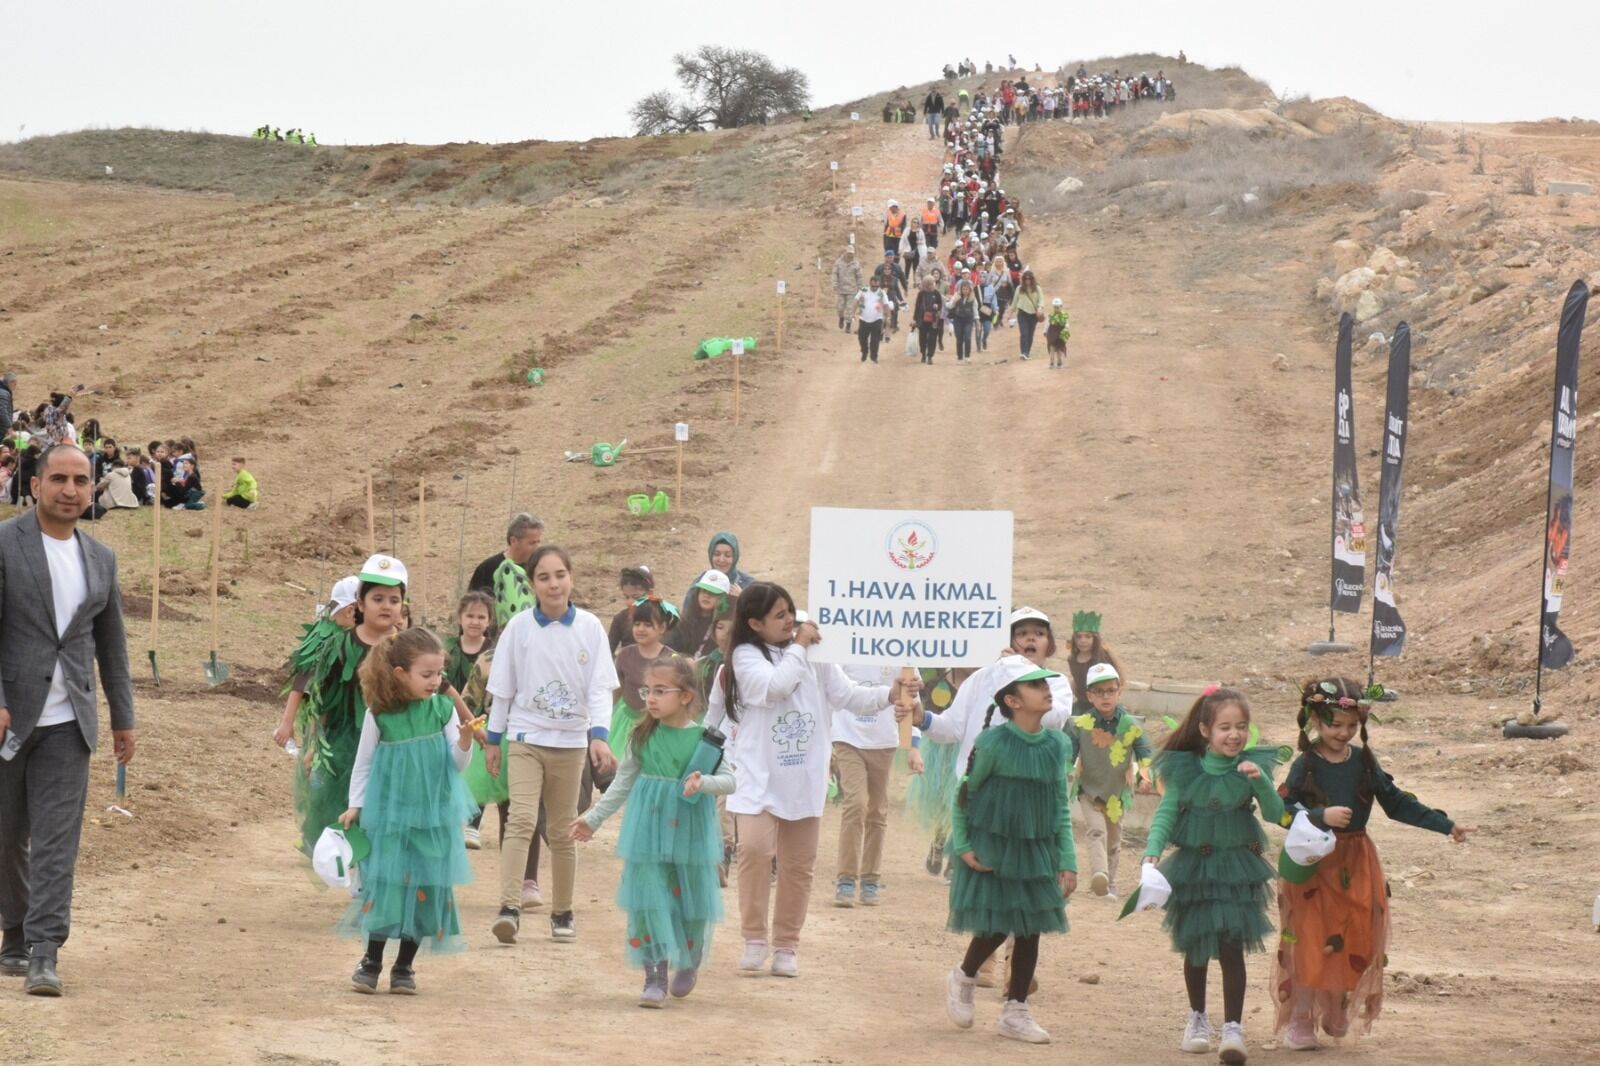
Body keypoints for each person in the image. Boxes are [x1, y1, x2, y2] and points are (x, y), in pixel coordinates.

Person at [712, 583, 917, 978]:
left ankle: (786, 944)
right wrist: (801, 646)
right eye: (779, 615)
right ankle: (754, 938)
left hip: (804, 776)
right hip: (757, 775)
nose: (790, 620)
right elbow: (775, 688)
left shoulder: (816, 656)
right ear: (754, 623)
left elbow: (848, 696)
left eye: (791, 612)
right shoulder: (744, 656)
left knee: (798, 865)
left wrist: (888, 695)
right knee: (754, 850)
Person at [0, 444, 136, 996]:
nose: (70, 489)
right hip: (11, 717)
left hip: (69, 722)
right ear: (36, 485)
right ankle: (13, 931)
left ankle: (44, 951)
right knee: (7, 836)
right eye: (59, 478)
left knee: (57, 841)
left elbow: (112, 644)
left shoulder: (100, 558)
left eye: (81, 480)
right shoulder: (5, 544)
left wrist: (124, 716)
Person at [1273, 678, 1473, 1050]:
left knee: (1355, 936)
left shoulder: (1364, 761)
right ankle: (1300, 1018)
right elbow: (1281, 810)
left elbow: (1395, 802)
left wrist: (1446, 825)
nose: (1344, 732)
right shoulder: (1306, 764)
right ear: (1315, 719)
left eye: (1352, 725)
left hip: (1357, 863)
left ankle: (1336, 1003)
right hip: (1314, 862)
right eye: (1335, 724)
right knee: (1311, 937)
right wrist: (1319, 816)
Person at [574, 654, 735, 1007]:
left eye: (661, 691)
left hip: (690, 835)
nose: (650, 698)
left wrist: (703, 782)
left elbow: (730, 780)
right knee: (648, 902)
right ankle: (655, 976)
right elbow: (621, 785)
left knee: (691, 901)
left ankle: (689, 959)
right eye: (647, 690)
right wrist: (593, 818)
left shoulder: (705, 740)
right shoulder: (641, 735)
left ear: (686, 696)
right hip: (646, 834)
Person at [484, 546, 620, 945]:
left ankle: (563, 912)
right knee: (521, 819)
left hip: (571, 743)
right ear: (532, 584)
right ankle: (509, 907)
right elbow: (503, 690)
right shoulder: (519, 628)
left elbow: (599, 689)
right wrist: (493, 739)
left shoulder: (590, 628)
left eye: (560, 574)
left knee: (562, 828)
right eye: (543, 577)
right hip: (525, 738)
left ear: (571, 577)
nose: (553, 584)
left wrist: (599, 736)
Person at [1143, 688, 1284, 1064]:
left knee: (1231, 946)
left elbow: (1275, 813)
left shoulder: (1251, 767)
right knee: (1196, 946)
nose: (1234, 734)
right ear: (1205, 730)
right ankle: (1197, 1018)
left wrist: (1260, 781)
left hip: (1237, 871)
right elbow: (1166, 812)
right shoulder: (1185, 769)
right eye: (1225, 727)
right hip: (1195, 870)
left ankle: (1233, 1028)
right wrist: (1152, 851)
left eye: (1241, 726)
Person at [942, 656, 1076, 1044]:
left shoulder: (1057, 744)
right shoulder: (992, 743)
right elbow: (965, 794)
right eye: (1035, 685)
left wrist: (1067, 858)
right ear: (1013, 702)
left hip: (1037, 846)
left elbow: (1061, 803)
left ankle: (1016, 1011)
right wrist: (963, 844)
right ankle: (964, 976)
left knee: (1031, 925)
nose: (1046, 689)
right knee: (999, 921)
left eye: (1045, 683)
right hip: (994, 844)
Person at [337, 628, 476, 994]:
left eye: (439, 673)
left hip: (433, 817)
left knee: (427, 887)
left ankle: (404, 967)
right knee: (389, 887)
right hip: (391, 817)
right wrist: (355, 805)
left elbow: (456, 765)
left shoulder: (443, 709)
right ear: (400, 674)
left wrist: (464, 742)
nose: (435, 681)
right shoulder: (379, 714)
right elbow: (363, 764)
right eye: (426, 674)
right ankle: (371, 961)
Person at [279, 557, 408, 858]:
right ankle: (342, 858)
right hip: (344, 740)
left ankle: (377, 863)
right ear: (360, 604)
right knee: (340, 802)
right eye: (377, 599)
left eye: (394, 600)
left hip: (392, 740)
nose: (386, 606)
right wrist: (314, 746)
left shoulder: (406, 648)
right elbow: (323, 699)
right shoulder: (339, 647)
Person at [1062, 663, 1152, 899]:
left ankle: (1109, 883)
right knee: (1096, 831)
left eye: (1110, 690)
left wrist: (1144, 776)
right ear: (1089, 695)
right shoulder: (1080, 725)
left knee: (1114, 841)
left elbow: (1144, 753)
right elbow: (1067, 756)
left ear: (1119, 692)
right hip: (1089, 790)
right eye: (1098, 691)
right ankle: (1099, 874)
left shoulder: (1131, 725)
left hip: (1117, 793)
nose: (1105, 696)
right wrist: (1065, 771)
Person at [831, 665, 909, 908]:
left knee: (877, 811)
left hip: (884, 741)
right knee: (855, 804)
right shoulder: (843, 651)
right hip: (846, 737)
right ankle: (846, 878)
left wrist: (912, 744)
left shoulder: (901, 652)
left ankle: (870, 879)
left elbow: (910, 695)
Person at [445, 591, 495, 849]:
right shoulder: (448, 648)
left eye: (481, 617)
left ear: (489, 621)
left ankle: (473, 824)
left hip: (482, 719)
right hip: (447, 714)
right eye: (470, 616)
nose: (475, 621)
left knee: (478, 772)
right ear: (460, 618)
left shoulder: (493, 652)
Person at [608, 596, 679, 761]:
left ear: (662, 627)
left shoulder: (671, 659)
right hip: (626, 722)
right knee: (618, 766)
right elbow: (617, 689)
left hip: (656, 726)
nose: (640, 629)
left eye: (648, 625)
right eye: (637, 624)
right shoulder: (625, 654)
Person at [468, 512, 544, 603]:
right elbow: (472, 605)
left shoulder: (538, 568)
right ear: (513, 541)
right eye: (532, 543)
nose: (537, 548)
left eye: (538, 542)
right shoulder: (487, 569)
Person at [1065, 612, 1126, 706]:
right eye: (1078, 637)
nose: (1083, 641)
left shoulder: (1102, 657)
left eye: (1088, 636)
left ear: (1095, 639)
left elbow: (1116, 680)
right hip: (1082, 703)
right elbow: (1076, 681)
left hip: (1101, 703)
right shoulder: (1072, 659)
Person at [666, 569, 730, 657]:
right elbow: (667, 649)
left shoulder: (726, 627)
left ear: (724, 598)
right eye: (703, 591)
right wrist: (682, 659)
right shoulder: (684, 621)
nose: (706, 595)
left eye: (713, 593)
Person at [686, 531, 753, 600]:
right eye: (717, 554)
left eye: (727, 555)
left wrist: (743, 597)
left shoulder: (748, 585)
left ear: (735, 557)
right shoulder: (700, 583)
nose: (721, 560)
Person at [607, 565, 655, 653]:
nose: (630, 602)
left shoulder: (663, 619)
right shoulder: (620, 619)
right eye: (626, 597)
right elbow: (607, 651)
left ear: (650, 594)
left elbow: (673, 654)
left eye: (636, 597)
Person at [855, 275, 889, 364]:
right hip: (864, 319)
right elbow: (856, 301)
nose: (875, 288)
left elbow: (886, 305)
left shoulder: (881, 293)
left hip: (877, 319)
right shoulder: (864, 290)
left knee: (875, 340)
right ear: (870, 284)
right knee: (862, 338)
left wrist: (888, 317)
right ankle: (864, 351)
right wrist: (852, 312)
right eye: (873, 286)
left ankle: (874, 356)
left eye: (877, 286)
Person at [831, 249, 864, 333]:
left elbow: (859, 277)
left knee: (850, 309)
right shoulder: (838, 262)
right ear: (845, 253)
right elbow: (835, 274)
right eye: (849, 253)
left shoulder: (856, 264)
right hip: (841, 289)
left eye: (852, 253)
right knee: (840, 307)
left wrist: (860, 289)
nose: (850, 255)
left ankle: (848, 325)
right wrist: (834, 284)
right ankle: (841, 318)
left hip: (852, 290)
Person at [1012, 271, 1043, 360]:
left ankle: (1027, 352)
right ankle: (1023, 352)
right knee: (1024, 333)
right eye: (1025, 279)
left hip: (1033, 314)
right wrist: (1010, 314)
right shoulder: (1019, 288)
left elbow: (1041, 300)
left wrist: (1040, 308)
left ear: (1032, 279)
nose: (1027, 280)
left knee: (1030, 334)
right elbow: (1014, 302)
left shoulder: (1037, 288)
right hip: (1022, 313)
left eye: (1029, 279)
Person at [913, 276, 943, 364]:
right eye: (929, 284)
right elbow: (917, 306)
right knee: (922, 338)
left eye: (933, 283)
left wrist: (937, 306)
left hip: (934, 319)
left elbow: (940, 304)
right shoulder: (921, 293)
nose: (931, 285)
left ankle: (930, 356)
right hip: (922, 319)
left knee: (933, 338)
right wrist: (915, 319)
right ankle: (923, 353)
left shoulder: (937, 293)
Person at [948, 279, 978, 363]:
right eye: (963, 289)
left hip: (968, 320)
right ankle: (960, 357)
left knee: (967, 337)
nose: (965, 291)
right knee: (959, 339)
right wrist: (954, 301)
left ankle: (967, 356)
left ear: (969, 289)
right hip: (958, 320)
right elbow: (949, 306)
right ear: (961, 289)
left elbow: (975, 309)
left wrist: (977, 320)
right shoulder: (956, 296)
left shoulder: (973, 298)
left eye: (966, 289)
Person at [1045, 299, 1070, 370]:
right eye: (1055, 307)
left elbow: (1067, 323)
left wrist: (1066, 327)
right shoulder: (1051, 315)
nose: (1056, 308)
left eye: (1058, 307)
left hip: (1060, 335)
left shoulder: (1064, 315)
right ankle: (1052, 362)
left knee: (1059, 348)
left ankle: (1059, 362)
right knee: (1052, 348)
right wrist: (1045, 331)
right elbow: (1047, 324)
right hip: (1052, 334)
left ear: (1061, 306)